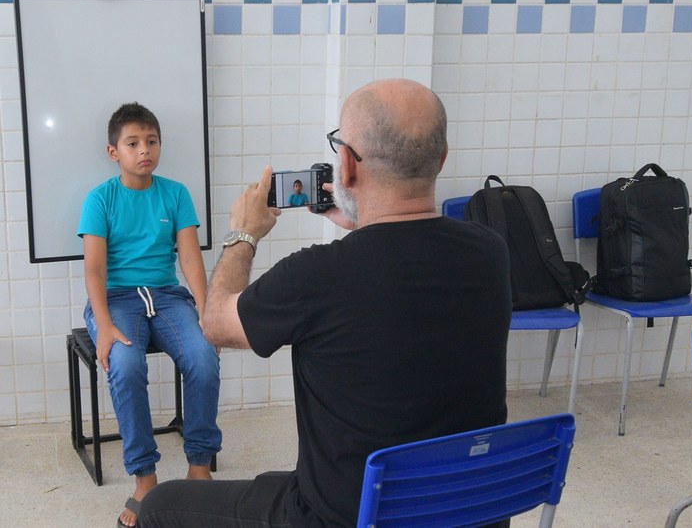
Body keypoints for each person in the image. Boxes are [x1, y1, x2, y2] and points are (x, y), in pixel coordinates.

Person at [139, 79, 512, 527]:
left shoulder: (316, 275)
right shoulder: (490, 251)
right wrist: (364, 224)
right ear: (442, 158)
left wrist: (243, 234)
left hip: (344, 517)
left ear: (348, 168)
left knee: (160, 506)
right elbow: (406, 262)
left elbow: (215, 323)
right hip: (471, 512)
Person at [78, 102, 222, 528]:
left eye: (152, 141)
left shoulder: (175, 193)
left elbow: (191, 258)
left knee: (202, 357)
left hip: (166, 296)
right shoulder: (99, 199)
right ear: (113, 152)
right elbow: (94, 268)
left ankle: (200, 466)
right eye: (134, 143)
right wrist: (103, 325)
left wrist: (207, 310)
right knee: (124, 364)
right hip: (118, 298)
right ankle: (145, 477)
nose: (145, 150)